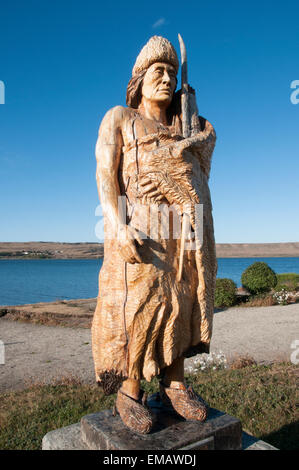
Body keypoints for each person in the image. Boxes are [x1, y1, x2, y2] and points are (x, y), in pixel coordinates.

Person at [92, 36, 217, 434]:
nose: (165, 78)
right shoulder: (120, 118)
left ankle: (174, 383)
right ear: (140, 79)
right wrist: (116, 223)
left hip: (183, 229)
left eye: (171, 72)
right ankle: (130, 391)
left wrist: (190, 126)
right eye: (157, 71)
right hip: (141, 229)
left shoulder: (186, 125)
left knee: (180, 301)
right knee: (138, 307)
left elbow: (199, 168)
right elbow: (104, 174)